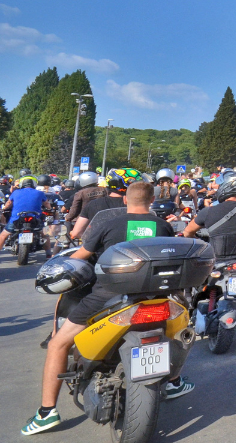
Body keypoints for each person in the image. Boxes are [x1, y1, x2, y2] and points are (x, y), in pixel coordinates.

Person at [21, 182, 188, 436]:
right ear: (152, 199)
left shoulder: (109, 224)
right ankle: (174, 381)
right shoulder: (163, 225)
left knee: (57, 344)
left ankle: (47, 413)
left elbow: (80, 256)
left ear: (125, 200)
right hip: (155, 295)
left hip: (109, 295)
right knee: (173, 333)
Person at [181, 172, 236, 330]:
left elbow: (187, 232)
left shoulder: (208, 212)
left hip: (216, 259)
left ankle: (191, 311)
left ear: (227, 188)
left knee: (199, 283)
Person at [68, 169, 142, 241]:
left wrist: (94, 241)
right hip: (129, 249)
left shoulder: (93, 204)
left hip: (99, 250)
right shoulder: (138, 205)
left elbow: (76, 233)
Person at [0, 176, 50, 250]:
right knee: (45, 235)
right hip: (35, 218)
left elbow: (9, 203)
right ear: (34, 184)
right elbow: (46, 204)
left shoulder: (16, 192)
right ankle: (49, 254)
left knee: (3, 236)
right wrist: (50, 209)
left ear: (21, 184)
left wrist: (4, 208)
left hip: (16, 218)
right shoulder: (40, 193)